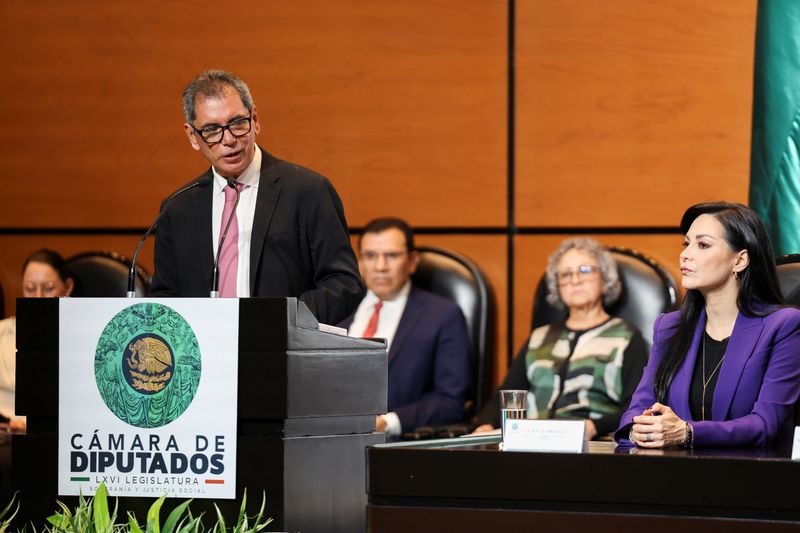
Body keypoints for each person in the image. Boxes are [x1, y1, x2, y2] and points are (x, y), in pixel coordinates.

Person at [148, 70, 364, 325]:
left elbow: (344, 285)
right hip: (207, 347)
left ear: (255, 120)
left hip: (280, 344)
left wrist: (283, 320)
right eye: (212, 130)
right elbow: (166, 297)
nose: (229, 139)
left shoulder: (308, 191)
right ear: (193, 137)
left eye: (238, 123)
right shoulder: (178, 208)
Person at [615, 202, 800, 449]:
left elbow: (765, 425)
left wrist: (688, 432)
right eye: (686, 243)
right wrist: (639, 430)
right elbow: (638, 408)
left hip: (752, 469)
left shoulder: (783, 326)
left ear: (740, 260)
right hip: (676, 468)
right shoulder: (670, 327)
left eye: (702, 245)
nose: (685, 254)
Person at [474, 237, 647, 439]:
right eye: (565, 274)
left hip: (592, 443)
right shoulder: (539, 337)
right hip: (531, 441)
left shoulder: (626, 337)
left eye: (585, 270)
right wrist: (485, 425)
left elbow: (636, 406)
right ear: (557, 285)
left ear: (605, 279)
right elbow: (508, 394)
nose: (575, 280)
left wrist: (595, 427)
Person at [339, 218, 472, 438]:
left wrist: (387, 422)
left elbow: (450, 400)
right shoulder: (338, 311)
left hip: (393, 442)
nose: (380, 266)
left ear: (412, 261)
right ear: (360, 262)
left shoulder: (443, 315)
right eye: (370, 256)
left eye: (391, 256)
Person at [0, 249, 74, 431]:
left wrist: (24, 427)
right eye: (30, 289)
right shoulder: (2, 332)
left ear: (68, 287)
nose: (38, 297)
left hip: (50, 434)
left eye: (48, 288)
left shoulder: (78, 339)